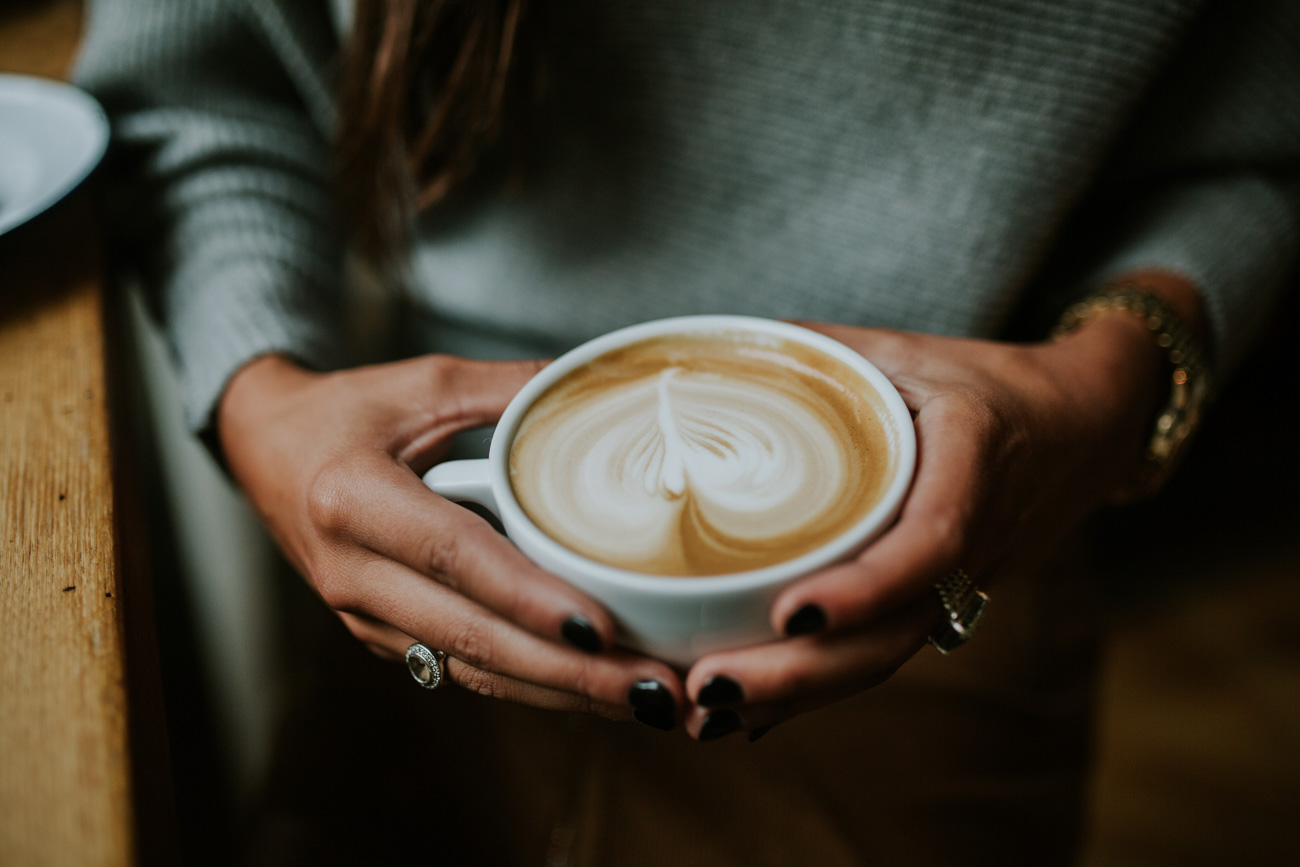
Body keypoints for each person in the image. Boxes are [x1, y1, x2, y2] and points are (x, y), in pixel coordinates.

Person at [77, 0, 1298, 863]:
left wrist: (1117, 371)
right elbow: (197, 77)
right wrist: (266, 403)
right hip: (417, 577)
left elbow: (1264, 124)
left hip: (943, 578)